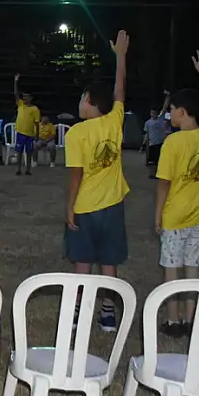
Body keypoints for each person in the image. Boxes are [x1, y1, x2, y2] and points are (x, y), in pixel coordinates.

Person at [64, 30, 130, 332]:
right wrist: (120, 57)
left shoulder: (76, 133)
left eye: (81, 98)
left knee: (82, 260)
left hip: (86, 206)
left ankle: (79, 312)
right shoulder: (115, 119)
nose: (79, 103)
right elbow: (120, 90)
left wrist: (70, 207)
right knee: (108, 261)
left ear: (90, 102)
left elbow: (76, 175)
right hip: (114, 205)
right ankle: (106, 313)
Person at [154, 51, 199, 338]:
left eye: (173, 110)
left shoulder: (172, 142)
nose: (170, 114)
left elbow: (164, 184)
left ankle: (173, 322)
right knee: (193, 268)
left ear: (182, 111)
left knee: (171, 268)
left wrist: (158, 215)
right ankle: (192, 322)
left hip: (176, 216)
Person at [12, 74, 41, 176]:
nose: (24, 98)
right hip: (20, 133)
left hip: (30, 134)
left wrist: (37, 135)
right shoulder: (20, 104)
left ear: (31, 98)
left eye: (27, 96)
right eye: (24, 96)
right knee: (19, 151)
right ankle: (18, 169)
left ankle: (28, 169)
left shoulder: (35, 109)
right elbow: (15, 93)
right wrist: (16, 81)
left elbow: (37, 123)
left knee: (29, 152)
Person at [143, 94, 172, 177]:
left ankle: (159, 173)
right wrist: (147, 144)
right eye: (151, 113)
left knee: (160, 159)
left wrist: (168, 97)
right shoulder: (148, 123)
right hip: (152, 143)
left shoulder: (161, 118)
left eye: (154, 113)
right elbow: (147, 134)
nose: (153, 115)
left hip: (161, 143)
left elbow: (164, 107)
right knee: (151, 160)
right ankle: (152, 174)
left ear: (157, 113)